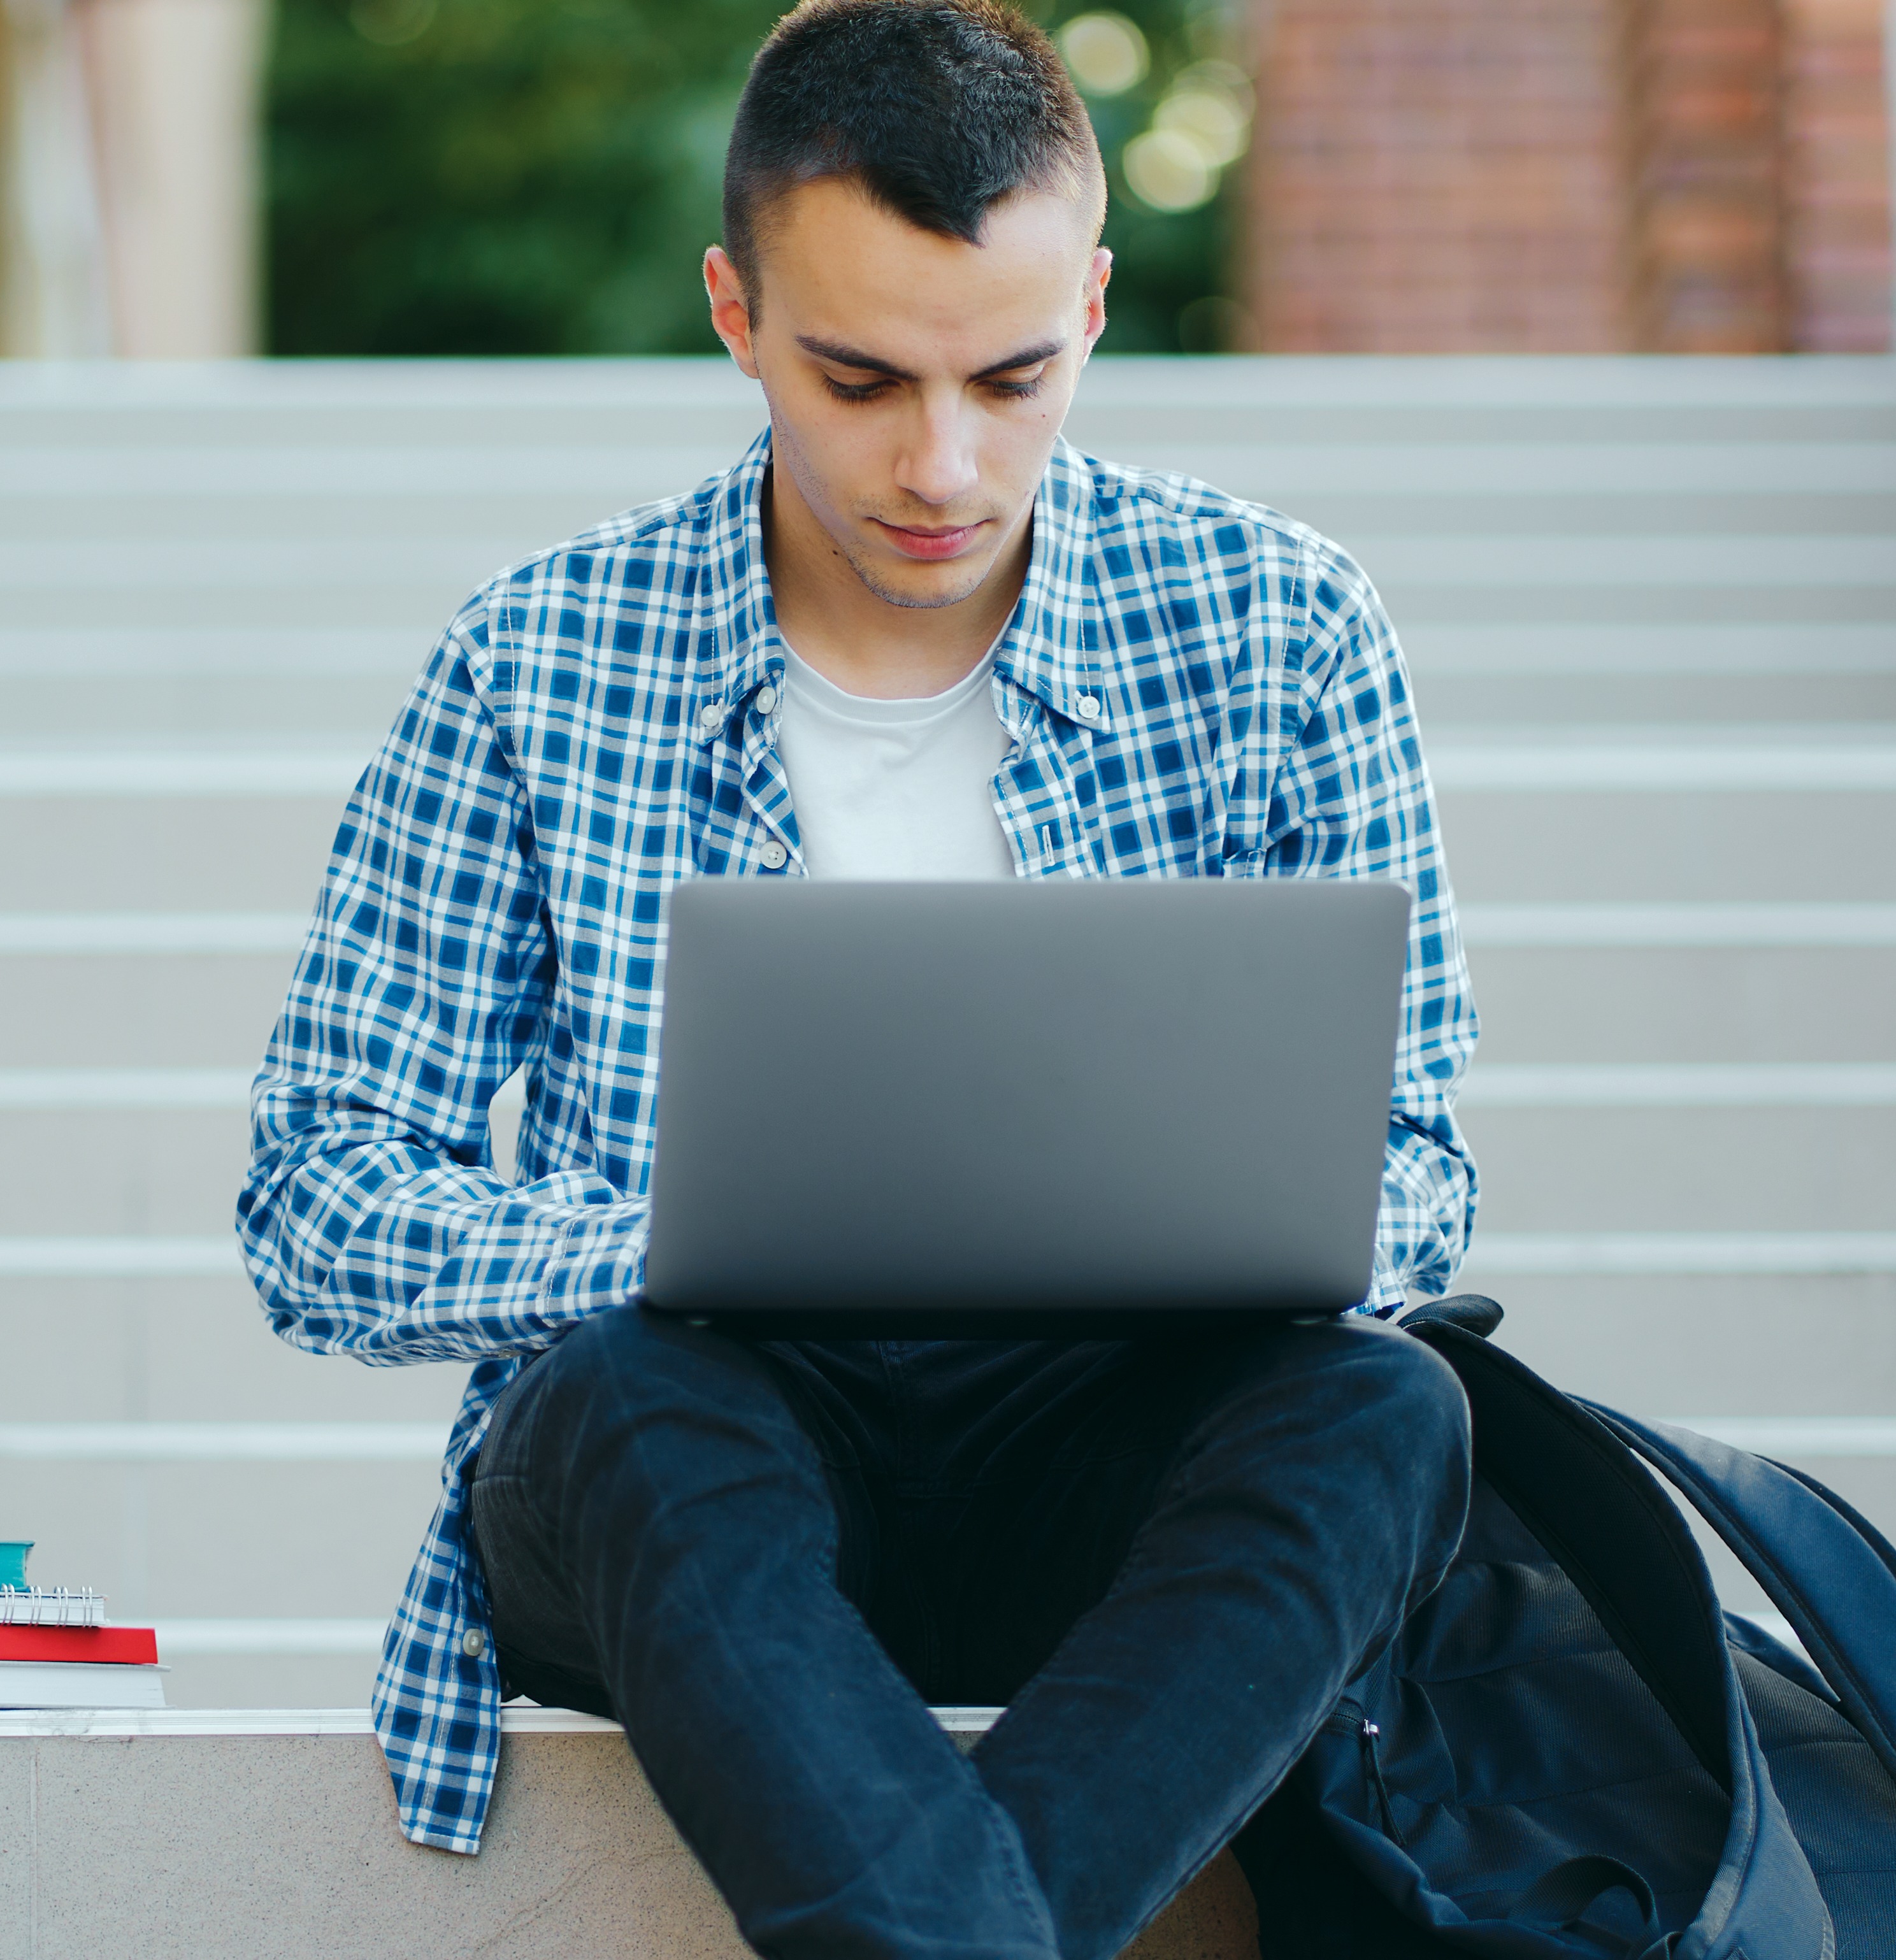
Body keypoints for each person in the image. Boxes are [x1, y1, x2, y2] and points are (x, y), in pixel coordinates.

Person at [234, 1, 1478, 1951]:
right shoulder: (535, 657)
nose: (941, 464)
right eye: (856, 378)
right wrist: (660, 1255)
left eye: (1009, 373)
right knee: (624, 1398)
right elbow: (314, 1201)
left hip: (1107, 1489)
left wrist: (1239, 1237)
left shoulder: (1282, 624)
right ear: (733, 313)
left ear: (1091, 303)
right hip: (694, 1509)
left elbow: (1415, 1162)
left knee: (1384, 1413)